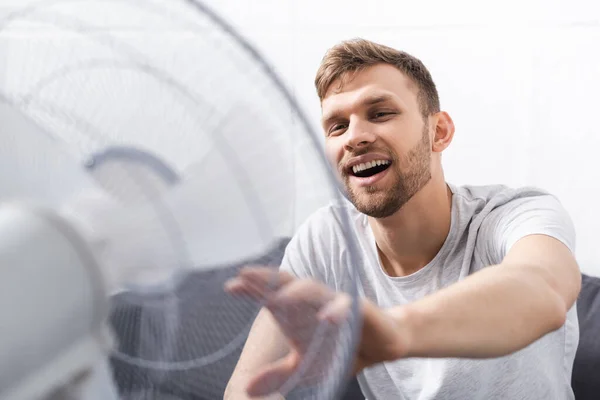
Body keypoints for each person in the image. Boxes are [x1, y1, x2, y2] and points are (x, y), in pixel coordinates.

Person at [223, 38, 581, 400]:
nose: (355, 137)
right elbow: (246, 389)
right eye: (337, 126)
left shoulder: (515, 214)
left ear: (438, 132)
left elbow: (544, 287)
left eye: (380, 113)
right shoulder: (327, 237)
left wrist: (396, 331)